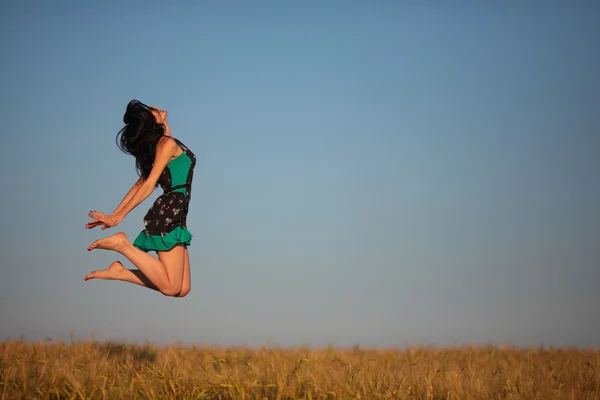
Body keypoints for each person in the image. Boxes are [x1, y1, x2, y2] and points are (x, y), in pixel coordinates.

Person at [84, 100, 196, 297]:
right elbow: (148, 184)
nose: (155, 107)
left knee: (182, 289)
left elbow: (140, 183)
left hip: (176, 214)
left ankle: (121, 272)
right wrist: (118, 217)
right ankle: (122, 245)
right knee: (171, 287)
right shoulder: (167, 145)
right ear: (150, 122)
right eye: (151, 110)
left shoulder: (165, 143)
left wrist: (115, 214)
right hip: (168, 214)